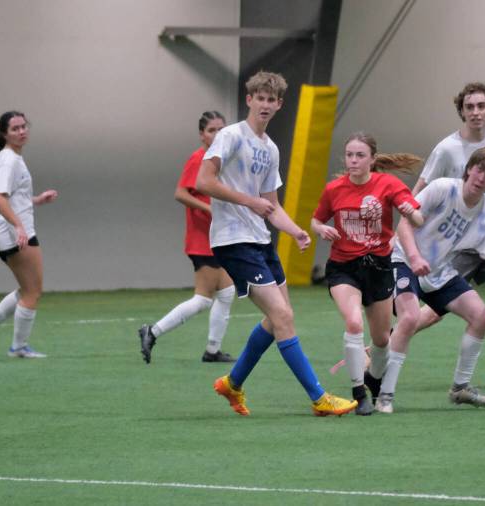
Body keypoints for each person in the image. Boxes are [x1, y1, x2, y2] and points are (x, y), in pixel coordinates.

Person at [196, 70, 357, 417]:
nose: (265, 104)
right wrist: (249, 202)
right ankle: (319, 398)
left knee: (280, 317)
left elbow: (272, 205)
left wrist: (296, 231)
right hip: (233, 240)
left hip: (260, 239)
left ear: (280, 104)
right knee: (281, 315)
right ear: (249, 99)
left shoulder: (270, 149)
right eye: (260, 98)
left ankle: (232, 383)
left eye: (272, 100)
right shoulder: (230, 136)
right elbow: (203, 181)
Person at [409, 82, 485, 391]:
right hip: (456, 240)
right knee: (435, 312)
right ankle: (377, 347)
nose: (476, 112)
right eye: (469, 107)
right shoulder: (446, 149)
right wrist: (412, 229)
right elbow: (419, 191)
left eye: (481, 106)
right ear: (461, 111)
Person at [377, 146, 485, 413]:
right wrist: (414, 257)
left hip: (438, 270)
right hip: (403, 258)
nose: (481, 177)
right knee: (409, 318)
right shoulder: (443, 188)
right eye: (479, 169)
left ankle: (460, 388)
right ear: (469, 169)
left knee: (481, 315)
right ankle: (385, 394)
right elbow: (404, 224)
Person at [311, 132, 424, 415]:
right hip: (344, 268)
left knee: (382, 339)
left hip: (378, 268)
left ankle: (373, 379)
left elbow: (418, 218)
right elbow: (315, 220)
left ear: (372, 159)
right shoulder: (334, 189)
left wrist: (410, 212)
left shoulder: (388, 184)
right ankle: (359, 393)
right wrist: (321, 229)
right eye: (349, 155)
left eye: (360, 155)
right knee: (353, 323)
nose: (353, 160)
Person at [138, 111, 236, 364]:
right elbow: (180, 193)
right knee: (203, 299)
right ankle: (152, 331)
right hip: (202, 239)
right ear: (202, 135)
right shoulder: (198, 158)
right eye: (212, 130)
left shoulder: (221, 159)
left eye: (221, 129)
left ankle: (212, 351)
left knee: (227, 293)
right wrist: (209, 209)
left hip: (217, 237)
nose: (217, 134)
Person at [0, 111, 58, 358]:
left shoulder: (11, 158)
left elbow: (13, 197)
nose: (21, 131)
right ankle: (18, 347)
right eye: (15, 129)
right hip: (15, 235)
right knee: (33, 292)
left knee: (27, 288)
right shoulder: (9, 160)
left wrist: (36, 200)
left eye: (23, 126)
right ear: (4, 134)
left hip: (12, 233)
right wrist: (19, 227)